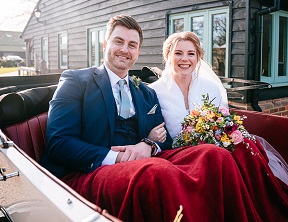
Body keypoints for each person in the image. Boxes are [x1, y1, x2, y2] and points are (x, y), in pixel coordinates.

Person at [41, 15, 265, 221]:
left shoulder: (146, 93)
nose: (124, 50)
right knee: (158, 173)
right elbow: (58, 143)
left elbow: (164, 140)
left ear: (138, 52)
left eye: (132, 45)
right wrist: (117, 158)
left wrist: (148, 144)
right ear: (105, 45)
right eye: (118, 42)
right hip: (92, 170)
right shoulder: (76, 81)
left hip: (145, 160)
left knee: (214, 155)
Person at [149, 31, 288, 221]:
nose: (184, 59)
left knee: (245, 148)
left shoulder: (210, 86)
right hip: (178, 155)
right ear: (168, 56)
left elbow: (221, 120)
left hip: (214, 147)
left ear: (198, 57)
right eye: (178, 53)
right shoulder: (154, 92)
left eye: (191, 53)